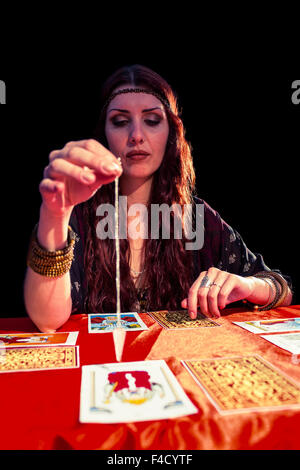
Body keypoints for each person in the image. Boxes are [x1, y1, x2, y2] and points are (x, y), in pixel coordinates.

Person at [24, 65, 293, 333]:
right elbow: (46, 321)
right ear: (103, 133)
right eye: (120, 121)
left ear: (172, 134)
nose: (136, 136)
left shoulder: (196, 217)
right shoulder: (77, 217)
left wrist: (248, 286)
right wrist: (55, 214)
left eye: (152, 120)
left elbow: (281, 287)